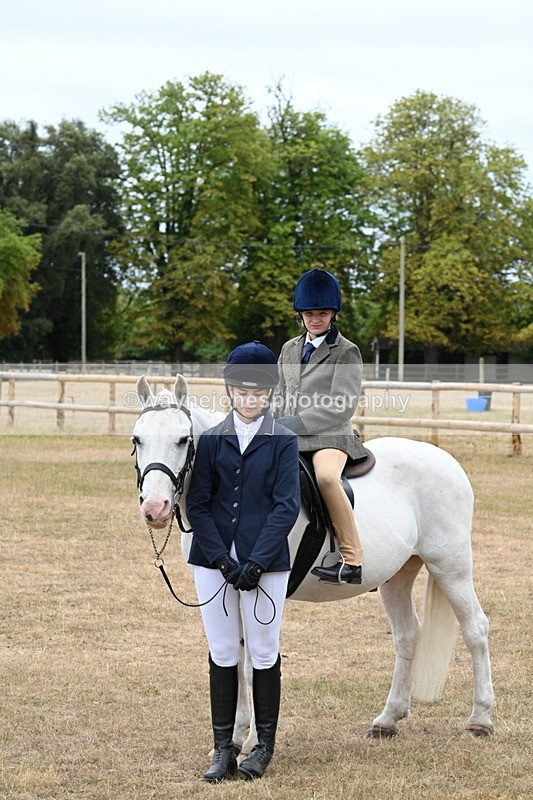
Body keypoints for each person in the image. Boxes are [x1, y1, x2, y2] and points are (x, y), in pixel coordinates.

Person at [186, 341, 300, 783]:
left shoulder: (283, 440)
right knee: (221, 651)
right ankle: (223, 748)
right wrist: (220, 558)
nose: (249, 400)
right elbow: (198, 505)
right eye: (241, 392)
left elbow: (286, 507)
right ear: (230, 391)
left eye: (257, 393)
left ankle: (263, 746)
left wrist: (255, 562)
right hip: (213, 562)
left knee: (264, 651)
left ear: (268, 394)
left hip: (265, 564)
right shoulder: (211, 440)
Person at [275, 268, 365, 585]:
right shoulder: (289, 349)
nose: (315, 320)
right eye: (310, 314)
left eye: (322, 314)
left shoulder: (346, 351)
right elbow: (280, 393)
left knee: (326, 477)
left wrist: (296, 422)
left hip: (331, 436)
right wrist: (271, 420)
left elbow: (343, 404)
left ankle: (352, 560)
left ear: (333, 314)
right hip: (289, 433)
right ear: (300, 314)